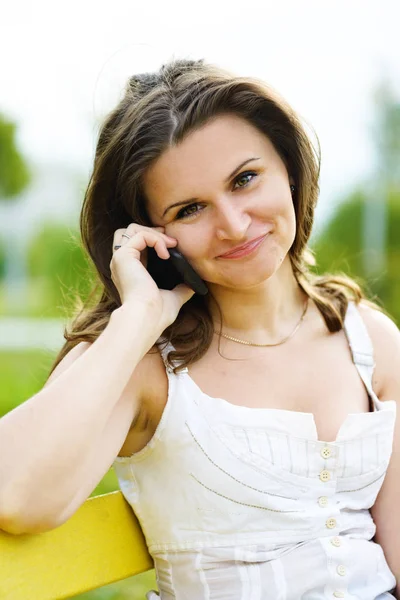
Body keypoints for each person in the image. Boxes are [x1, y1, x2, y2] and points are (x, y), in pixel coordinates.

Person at [0, 58, 399, 599]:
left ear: (290, 169)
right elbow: (17, 496)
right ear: (147, 233)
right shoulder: (141, 361)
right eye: (190, 209)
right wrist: (137, 317)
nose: (234, 224)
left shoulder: (367, 338)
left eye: (245, 179)